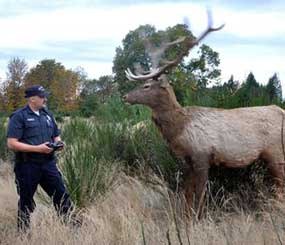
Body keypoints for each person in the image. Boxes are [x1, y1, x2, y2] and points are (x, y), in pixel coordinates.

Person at [7, 85, 74, 232]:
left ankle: (72, 228)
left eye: (45, 96)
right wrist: (38, 149)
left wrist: (58, 143)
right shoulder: (19, 116)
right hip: (27, 165)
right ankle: (23, 234)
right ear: (32, 99)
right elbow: (12, 143)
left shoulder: (47, 115)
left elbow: (56, 134)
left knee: (61, 196)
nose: (45, 99)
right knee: (26, 201)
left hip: (48, 164)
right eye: (42, 96)